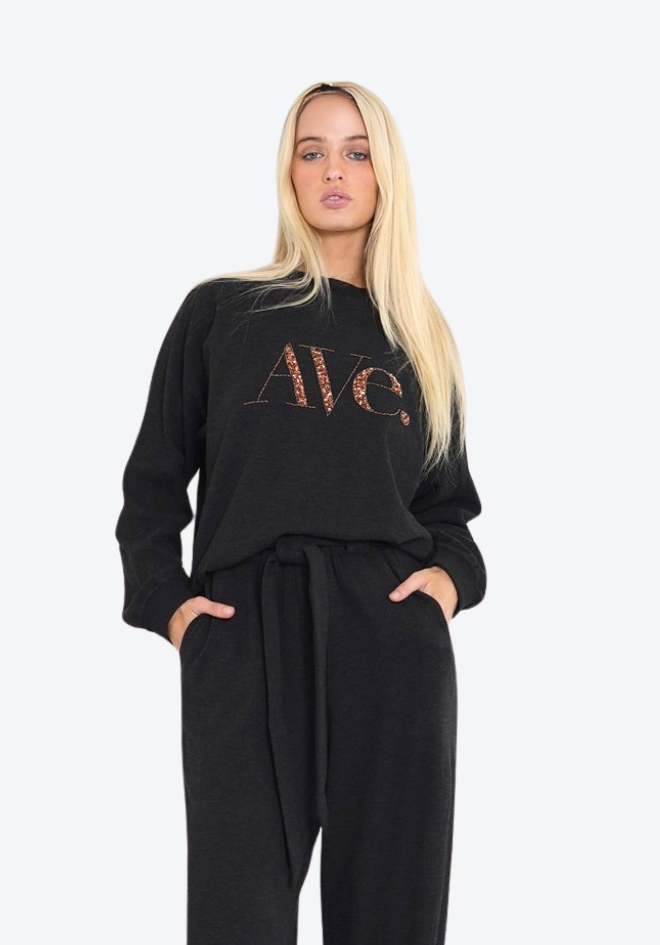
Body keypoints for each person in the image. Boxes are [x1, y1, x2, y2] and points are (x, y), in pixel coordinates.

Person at [115, 80, 487, 945]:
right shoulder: (223, 311)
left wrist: (444, 588)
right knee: (237, 917)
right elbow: (152, 488)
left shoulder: (419, 338)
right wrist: (172, 608)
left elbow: (449, 512)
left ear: (385, 173)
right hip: (245, 635)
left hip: (389, 641)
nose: (333, 170)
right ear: (288, 171)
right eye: (311, 150)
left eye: (357, 151)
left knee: (392, 920)